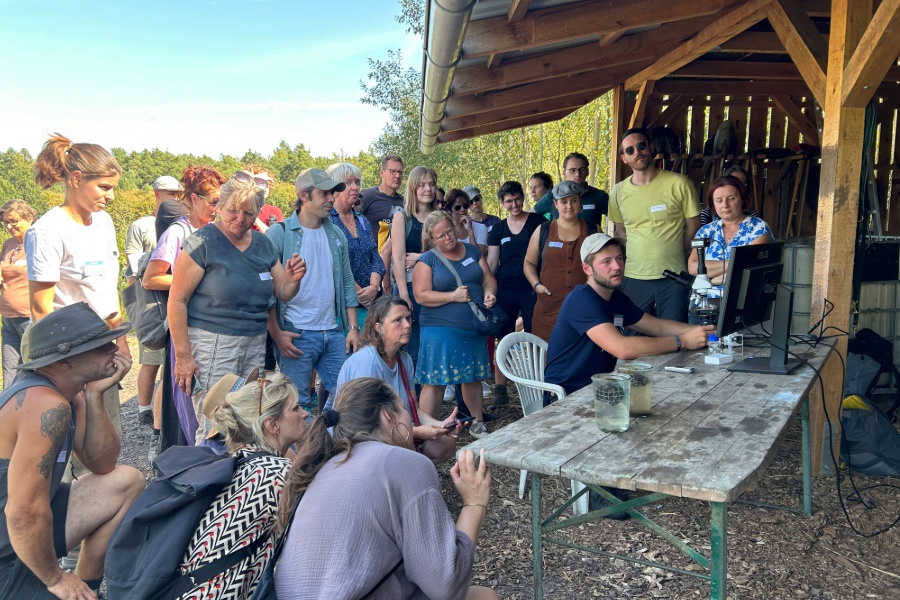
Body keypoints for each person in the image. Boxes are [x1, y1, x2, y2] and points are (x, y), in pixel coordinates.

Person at [274, 378, 498, 600]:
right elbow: (447, 587)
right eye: (404, 409)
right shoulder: (405, 462)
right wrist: (474, 503)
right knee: (486, 597)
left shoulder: (322, 465)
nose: (410, 419)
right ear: (388, 417)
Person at [0, 302, 145, 599]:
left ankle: (86, 588)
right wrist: (55, 579)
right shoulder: (43, 404)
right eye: (100, 345)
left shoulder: (68, 393)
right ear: (63, 361)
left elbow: (103, 465)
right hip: (8, 549)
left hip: (17, 530)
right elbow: (23, 513)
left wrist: (94, 396)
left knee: (126, 480)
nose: (114, 348)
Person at [169, 172, 306, 444]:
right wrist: (183, 356)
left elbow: (283, 291)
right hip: (212, 344)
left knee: (245, 420)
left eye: (248, 213)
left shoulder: (262, 243)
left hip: (254, 342)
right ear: (220, 206)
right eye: (232, 210)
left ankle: (239, 480)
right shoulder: (203, 242)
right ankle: (207, 480)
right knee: (214, 423)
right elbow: (177, 300)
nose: (239, 219)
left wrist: (294, 279)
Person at [26, 133, 129, 440]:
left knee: (106, 434)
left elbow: (105, 290)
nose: (110, 196)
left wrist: (120, 341)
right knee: (66, 440)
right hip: (67, 353)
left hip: (101, 343)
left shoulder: (104, 223)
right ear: (76, 178)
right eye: (104, 187)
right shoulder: (47, 230)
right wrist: (62, 368)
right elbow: (40, 308)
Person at [174, 372, 308, 599]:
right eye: (295, 408)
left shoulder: (241, 461)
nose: (305, 413)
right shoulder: (277, 474)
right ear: (272, 425)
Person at [545, 234, 714, 396]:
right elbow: (623, 349)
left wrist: (704, 332)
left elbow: (657, 326)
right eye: (606, 261)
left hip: (603, 388)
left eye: (619, 258)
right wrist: (682, 341)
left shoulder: (615, 297)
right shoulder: (581, 299)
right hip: (567, 395)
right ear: (587, 268)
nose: (617, 266)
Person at [144, 166, 226, 452]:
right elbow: (151, 277)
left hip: (214, 328)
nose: (219, 208)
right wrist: (194, 279)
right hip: (184, 329)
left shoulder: (216, 231)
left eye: (221, 201)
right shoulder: (177, 233)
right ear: (193, 198)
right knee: (187, 397)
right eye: (214, 201)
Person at [266, 168, 359, 413]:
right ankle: (304, 451)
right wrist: (276, 333)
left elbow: (347, 281)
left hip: (333, 329)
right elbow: (264, 290)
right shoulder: (279, 233)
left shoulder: (336, 233)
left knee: (350, 396)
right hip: (296, 333)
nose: (331, 198)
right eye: (324, 193)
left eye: (333, 193)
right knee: (297, 406)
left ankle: (327, 440)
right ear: (304, 195)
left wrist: (352, 328)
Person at [333, 296, 462, 462]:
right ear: (378, 328)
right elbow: (364, 426)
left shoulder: (404, 359)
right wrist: (418, 432)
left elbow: (413, 407)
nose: (408, 325)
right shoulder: (367, 363)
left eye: (408, 318)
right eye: (397, 320)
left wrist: (439, 425)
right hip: (361, 439)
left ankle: (411, 467)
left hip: (393, 430)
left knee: (445, 443)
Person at [413, 211, 497, 438]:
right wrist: (452, 297)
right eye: (440, 236)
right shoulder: (427, 260)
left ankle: (477, 421)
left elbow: (488, 278)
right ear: (432, 239)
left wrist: (490, 293)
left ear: (454, 227)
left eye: (449, 231)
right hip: (440, 329)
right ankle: (425, 429)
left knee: (472, 376)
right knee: (436, 380)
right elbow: (421, 296)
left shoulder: (472, 250)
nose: (447, 238)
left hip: (473, 326)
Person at [609, 128, 701, 323]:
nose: (637, 152)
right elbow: (622, 232)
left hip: (674, 276)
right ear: (623, 158)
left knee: (674, 336)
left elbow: (693, 227)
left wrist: (675, 251)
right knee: (633, 335)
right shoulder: (617, 192)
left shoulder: (680, 184)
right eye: (630, 150)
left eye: (641, 145)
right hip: (634, 276)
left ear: (651, 148)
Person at [487, 182, 547, 403]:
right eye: (508, 201)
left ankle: (537, 382)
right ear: (502, 204)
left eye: (517, 199)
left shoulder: (538, 222)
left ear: (523, 198)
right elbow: (492, 262)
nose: (514, 204)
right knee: (503, 337)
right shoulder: (498, 229)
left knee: (535, 335)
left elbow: (547, 255)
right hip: (505, 288)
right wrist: (488, 288)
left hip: (532, 287)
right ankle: (501, 388)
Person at [124, 177, 173, 429]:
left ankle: (162, 411)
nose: (174, 196)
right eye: (169, 192)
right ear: (156, 193)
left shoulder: (181, 221)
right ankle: (144, 409)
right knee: (151, 358)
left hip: (172, 297)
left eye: (178, 192)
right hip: (151, 302)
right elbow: (133, 267)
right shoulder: (141, 225)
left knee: (170, 364)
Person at [523, 181, 597, 342]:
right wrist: (537, 285)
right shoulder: (544, 230)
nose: (569, 206)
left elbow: (603, 265)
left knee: (582, 356)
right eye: (563, 202)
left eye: (574, 200)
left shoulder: (593, 230)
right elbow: (528, 263)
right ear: (555, 204)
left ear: (580, 202)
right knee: (545, 357)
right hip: (548, 309)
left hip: (584, 308)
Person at [688, 176, 773, 297]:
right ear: (713, 204)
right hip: (703, 301)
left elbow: (750, 268)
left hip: (742, 299)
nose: (725, 205)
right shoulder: (706, 231)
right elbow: (692, 267)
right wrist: (736, 263)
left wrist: (709, 280)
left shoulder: (757, 228)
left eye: (731, 198)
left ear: (742, 199)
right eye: (719, 200)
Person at [389, 166, 440, 366]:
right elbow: (399, 259)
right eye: (422, 185)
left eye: (431, 184)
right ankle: (414, 396)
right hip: (408, 287)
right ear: (413, 188)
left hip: (436, 287)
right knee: (412, 347)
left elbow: (447, 254)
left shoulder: (439, 217)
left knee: (433, 344)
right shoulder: (403, 217)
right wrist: (403, 294)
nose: (428, 189)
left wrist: (420, 257)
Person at [326, 162, 385, 329]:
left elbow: (375, 257)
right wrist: (359, 294)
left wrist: (374, 287)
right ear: (334, 189)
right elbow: (334, 264)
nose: (355, 187)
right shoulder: (328, 223)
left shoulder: (362, 220)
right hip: (343, 309)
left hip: (373, 305)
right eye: (348, 182)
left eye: (357, 182)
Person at [0, 199, 36, 387]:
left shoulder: (37, 242)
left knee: (32, 370)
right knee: (10, 375)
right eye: (5, 222)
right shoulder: (8, 245)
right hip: (8, 320)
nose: (9, 226)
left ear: (29, 217)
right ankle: (9, 415)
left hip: (29, 318)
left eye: (14, 221)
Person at [532, 153, 608, 229]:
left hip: (591, 240)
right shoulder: (553, 195)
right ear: (564, 173)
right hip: (558, 239)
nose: (578, 174)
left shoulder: (599, 196)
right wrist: (545, 230)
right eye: (572, 170)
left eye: (582, 170)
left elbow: (618, 221)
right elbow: (530, 216)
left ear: (587, 172)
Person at [360, 154, 405, 251]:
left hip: (397, 258)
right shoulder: (368, 195)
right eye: (393, 171)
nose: (397, 176)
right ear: (381, 173)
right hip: (373, 258)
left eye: (400, 172)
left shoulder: (404, 202)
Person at [445, 188, 488, 256]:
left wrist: (470, 231)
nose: (462, 209)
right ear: (449, 210)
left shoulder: (481, 228)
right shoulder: (445, 231)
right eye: (458, 207)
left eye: (465, 206)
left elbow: (479, 256)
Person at [152, 175, 188, 241]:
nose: (177, 198)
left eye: (179, 194)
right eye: (172, 194)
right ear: (157, 194)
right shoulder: (141, 225)